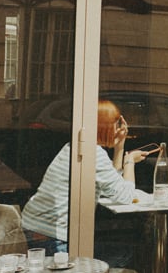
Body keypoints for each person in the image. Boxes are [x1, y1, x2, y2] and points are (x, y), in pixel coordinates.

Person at [22, 99, 152, 255]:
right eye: (116, 124)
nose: (118, 129)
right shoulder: (94, 153)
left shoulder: (75, 146)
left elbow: (109, 184)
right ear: (105, 126)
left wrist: (119, 147)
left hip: (35, 226)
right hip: (53, 237)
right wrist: (130, 161)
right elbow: (125, 196)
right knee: (127, 254)